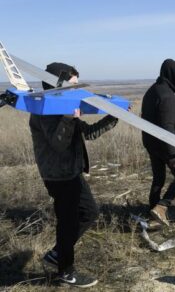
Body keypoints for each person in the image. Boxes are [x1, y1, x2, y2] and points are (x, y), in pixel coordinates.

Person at [31, 63, 119, 287]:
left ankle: (58, 254)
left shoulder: (64, 106)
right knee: (68, 222)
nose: (76, 90)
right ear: (57, 85)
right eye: (73, 85)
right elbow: (59, 144)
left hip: (72, 172)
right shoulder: (45, 110)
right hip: (58, 177)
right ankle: (65, 271)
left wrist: (113, 117)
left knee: (89, 212)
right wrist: (69, 118)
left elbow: (87, 133)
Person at [141, 59, 175, 227]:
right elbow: (168, 126)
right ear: (171, 74)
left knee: (158, 178)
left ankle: (152, 214)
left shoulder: (152, 90)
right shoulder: (167, 96)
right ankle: (162, 207)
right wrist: (173, 153)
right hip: (165, 145)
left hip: (151, 143)